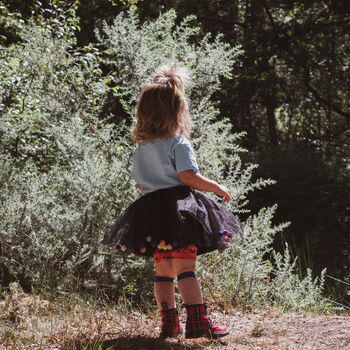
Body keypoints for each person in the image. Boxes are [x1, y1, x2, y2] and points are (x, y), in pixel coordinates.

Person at [103, 64, 242, 339]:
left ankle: (169, 324)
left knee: (164, 269)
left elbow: (141, 183)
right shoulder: (178, 143)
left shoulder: (141, 148)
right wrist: (217, 188)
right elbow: (188, 176)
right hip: (180, 213)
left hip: (153, 213)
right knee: (186, 268)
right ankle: (198, 321)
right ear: (178, 113)